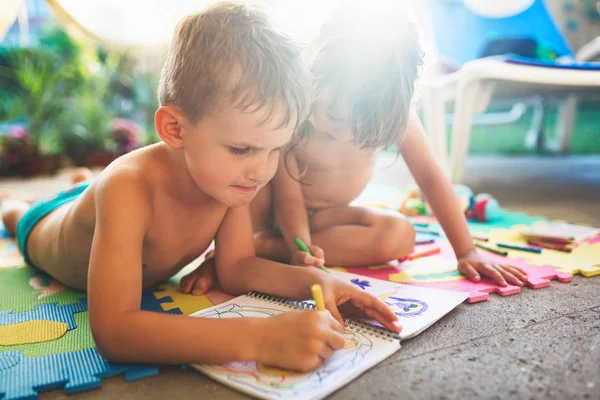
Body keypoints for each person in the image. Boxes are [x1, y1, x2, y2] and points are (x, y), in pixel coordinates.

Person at [0, 2, 400, 372]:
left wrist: (320, 282)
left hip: (99, 207)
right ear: (175, 128)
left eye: (275, 148)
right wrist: (260, 339)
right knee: (20, 216)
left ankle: (79, 187)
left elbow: (238, 268)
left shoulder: (231, 181)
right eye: (242, 148)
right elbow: (114, 330)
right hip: (46, 227)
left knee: (87, 195)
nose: (261, 171)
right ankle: (19, 203)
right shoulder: (128, 188)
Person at [248, 2, 529, 287]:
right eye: (333, 116)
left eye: (359, 130)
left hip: (326, 220)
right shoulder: (295, 106)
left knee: (400, 234)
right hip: (272, 208)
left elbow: (430, 177)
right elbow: (288, 200)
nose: (343, 134)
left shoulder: (391, 111)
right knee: (249, 177)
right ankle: (254, 245)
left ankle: (267, 248)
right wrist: (300, 246)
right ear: (315, 71)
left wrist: (467, 251)